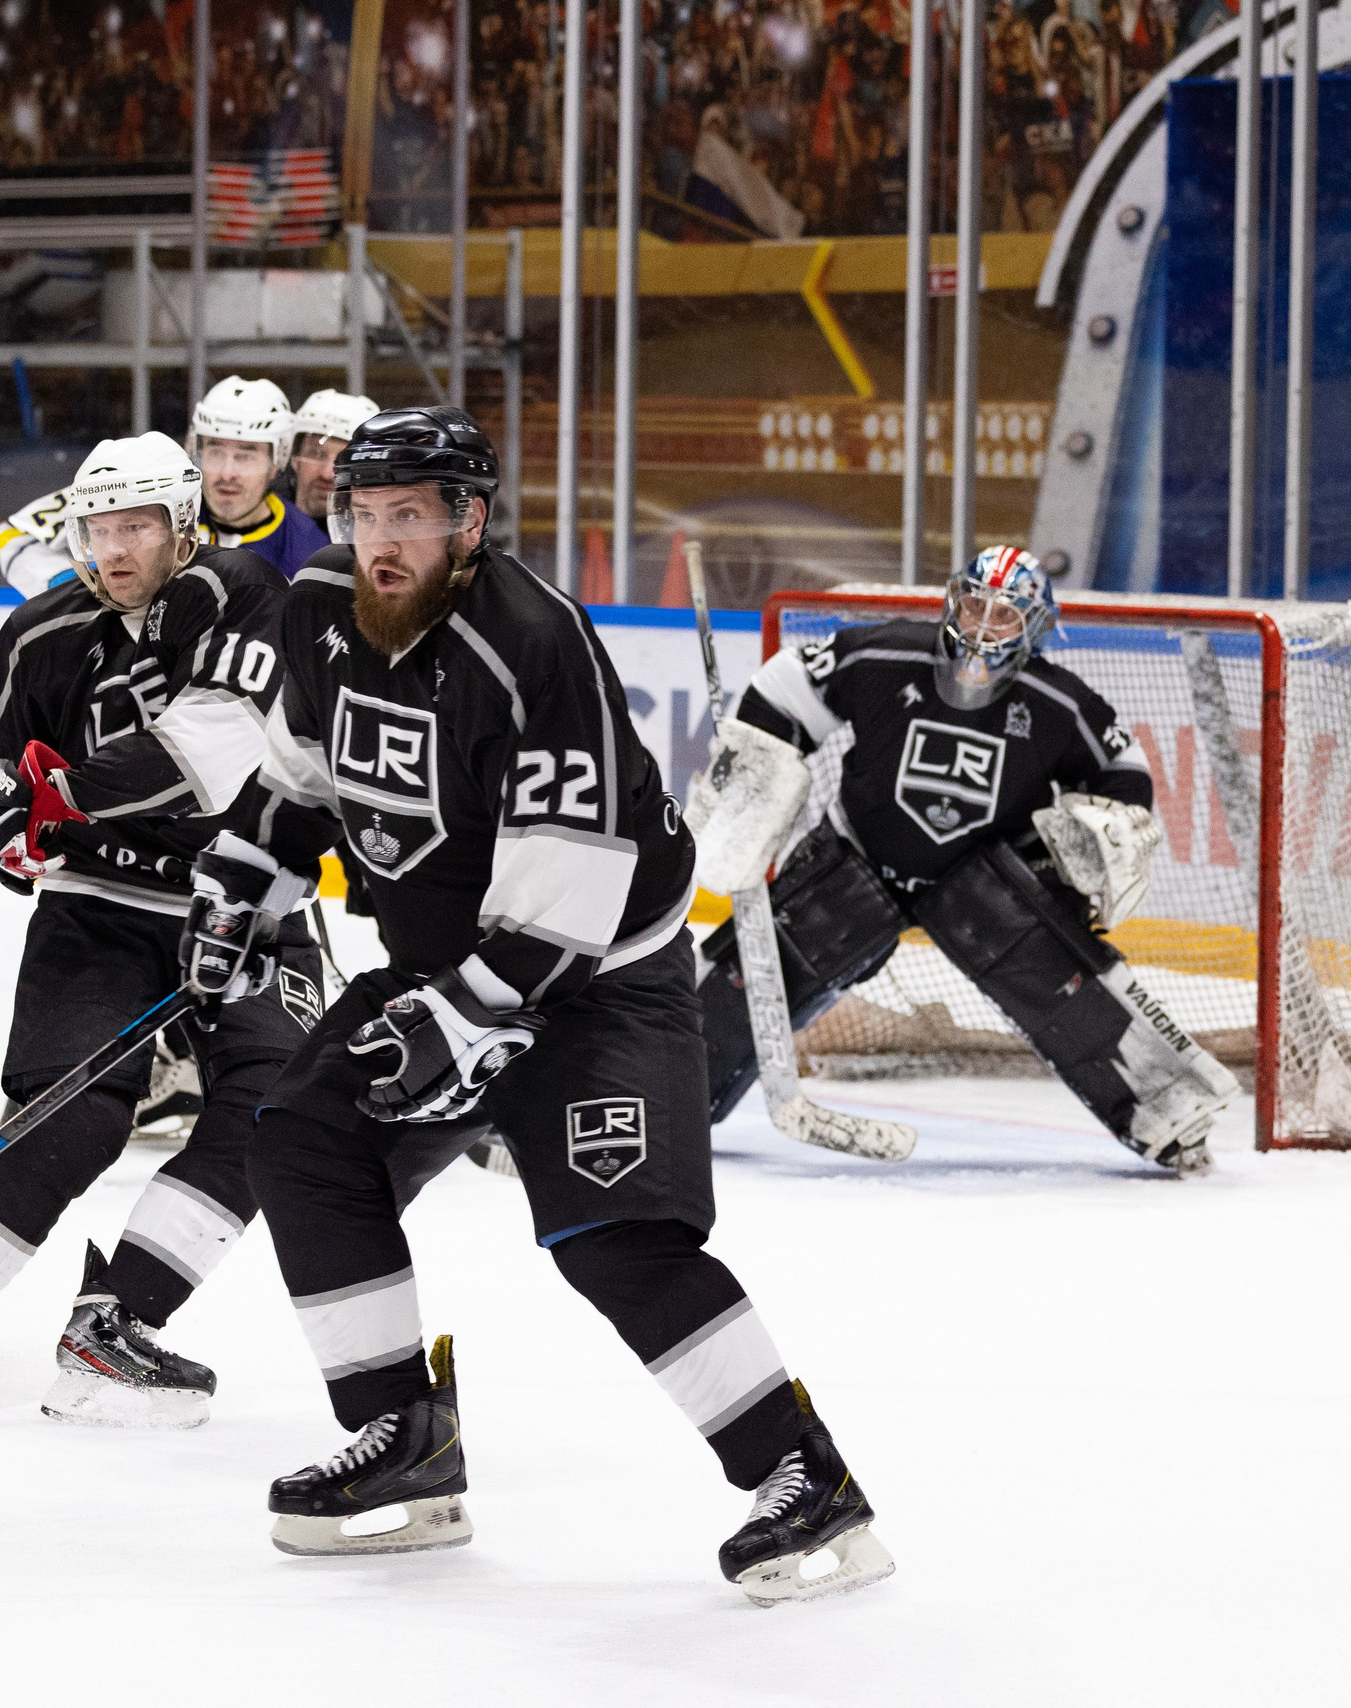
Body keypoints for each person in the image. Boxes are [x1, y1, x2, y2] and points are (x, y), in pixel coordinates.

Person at [188, 405, 891, 1603]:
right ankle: (402, 1444)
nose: (381, 542)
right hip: (447, 967)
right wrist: (234, 884)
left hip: (598, 981)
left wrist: (461, 1019)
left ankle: (804, 1478)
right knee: (304, 1139)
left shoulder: (533, 641)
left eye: (409, 515)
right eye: (364, 515)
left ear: (468, 523)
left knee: (615, 1239)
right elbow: (304, 779)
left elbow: (571, 887)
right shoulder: (317, 610)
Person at [0, 431, 323, 1430]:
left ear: (181, 526)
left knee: (279, 1110)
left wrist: (64, 799)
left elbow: (212, 751)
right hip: (100, 908)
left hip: (239, 902)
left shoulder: (241, 593)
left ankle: (119, 1323)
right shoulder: (38, 635)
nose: (114, 548)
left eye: (138, 526)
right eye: (99, 526)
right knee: (73, 1117)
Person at [690, 545, 1237, 1174]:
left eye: (1002, 616)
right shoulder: (885, 653)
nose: (981, 625)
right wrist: (756, 769)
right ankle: (663, 1085)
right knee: (767, 964)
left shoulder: (1058, 703)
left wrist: (1102, 837)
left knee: (1058, 978)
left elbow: (1123, 771)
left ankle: (1167, 1114)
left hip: (979, 877)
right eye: (973, 604)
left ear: (1034, 626)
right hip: (862, 855)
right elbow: (784, 686)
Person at [187, 375, 330, 577]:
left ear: (276, 462)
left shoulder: (309, 554)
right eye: (215, 452)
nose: (227, 474)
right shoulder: (171, 524)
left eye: (245, 456)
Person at [285, 388, 376, 520]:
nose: (327, 474)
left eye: (346, 460)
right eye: (316, 454)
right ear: (294, 457)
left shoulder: (377, 539)